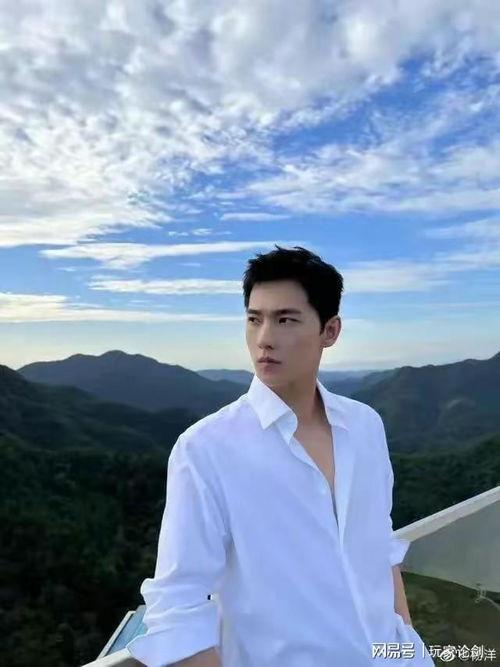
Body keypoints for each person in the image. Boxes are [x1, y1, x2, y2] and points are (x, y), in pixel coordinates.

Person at [126, 245, 435, 666]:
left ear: (330, 331)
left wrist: (407, 644)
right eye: (254, 319)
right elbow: (176, 605)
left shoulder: (365, 426)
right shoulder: (206, 449)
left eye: (286, 319)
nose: (264, 338)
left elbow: (379, 547)